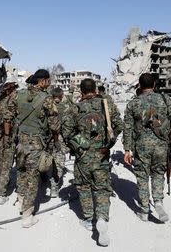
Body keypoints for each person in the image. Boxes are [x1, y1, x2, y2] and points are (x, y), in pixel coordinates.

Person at [62, 78, 123, 247]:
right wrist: (108, 144)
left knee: (83, 187)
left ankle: (89, 219)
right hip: (101, 155)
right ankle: (102, 217)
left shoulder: (75, 108)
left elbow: (66, 132)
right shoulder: (106, 104)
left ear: (81, 92)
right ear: (95, 89)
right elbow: (118, 125)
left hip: (83, 157)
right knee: (102, 188)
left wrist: (80, 145)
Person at [123, 73, 171, 222]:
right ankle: (158, 202)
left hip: (141, 147)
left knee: (142, 177)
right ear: (154, 85)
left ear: (139, 85)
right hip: (161, 146)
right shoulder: (164, 99)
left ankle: (144, 211)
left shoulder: (133, 103)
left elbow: (128, 128)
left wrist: (127, 150)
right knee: (158, 174)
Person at [14, 69, 60, 228]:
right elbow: (54, 125)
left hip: (21, 140)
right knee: (33, 177)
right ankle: (27, 215)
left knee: (21, 170)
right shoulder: (46, 99)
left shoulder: (18, 95)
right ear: (42, 81)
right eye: (47, 81)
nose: (48, 83)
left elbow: (12, 117)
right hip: (36, 142)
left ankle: (20, 199)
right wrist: (55, 140)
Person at [0, 81, 19, 205]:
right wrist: (6, 134)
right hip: (9, 136)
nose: (16, 92)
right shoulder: (10, 102)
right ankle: (1, 192)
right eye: (14, 89)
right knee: (7, 162)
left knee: (1, 160)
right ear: (10, 90)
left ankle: (4, 181)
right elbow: (7, 120)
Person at [47, 87, 72, 197]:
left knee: (45, 160)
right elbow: (68, 126)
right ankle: (54, 188)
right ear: (62, 96)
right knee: (59, 164)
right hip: (59, 139)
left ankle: (44, 179)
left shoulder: (45, 105)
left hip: (45, 139)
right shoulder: (66, 107)